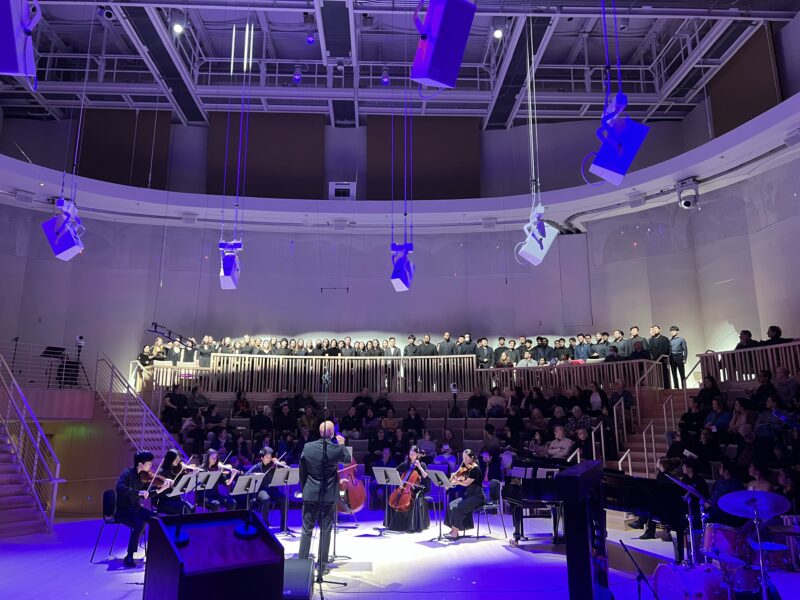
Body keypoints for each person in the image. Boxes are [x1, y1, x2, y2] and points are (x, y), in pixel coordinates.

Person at [298, 421, 352, 576]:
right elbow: (347, 459)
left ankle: (302, 565)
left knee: (307, 529)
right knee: (326, 530)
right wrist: (342, 444)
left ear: (320, 432)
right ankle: (322, 566)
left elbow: (302, 471)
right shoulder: (336, 448)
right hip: (328, 496)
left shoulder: (307, 447)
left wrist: (305, 489)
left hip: (310, 493)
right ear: (332, 433)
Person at [115, 451, 164, 568]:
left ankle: (158, 551)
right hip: (123, 511)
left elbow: (147, 494)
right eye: (148, 463)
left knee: (158, 520)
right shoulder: (127, 473)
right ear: (140, 464)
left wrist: (162, 488)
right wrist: (138, 492)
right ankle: (129, 556)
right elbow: (119, 487)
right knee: (139, 524)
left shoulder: (143, 476)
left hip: (136, 509)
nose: (151, 465)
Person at [386, 446, 431, 532]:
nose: (411, 456)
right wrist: (399, 481)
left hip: (417, 490)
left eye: (413, 454)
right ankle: (393, 524)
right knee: (393, 499)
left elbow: (426, 477)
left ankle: (411, 526)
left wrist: (420, 467)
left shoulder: (422, 464)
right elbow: (394, 471)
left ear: (417, 455)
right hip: (404, 488)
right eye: (410, 454)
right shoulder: (405, 464)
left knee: (413, 500)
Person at [444, 449, 483, 540]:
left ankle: (455, 533)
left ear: (472, 458)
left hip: (477, 497)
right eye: (463, 458)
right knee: (451, 504)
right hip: (469, 495)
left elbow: (466, 483)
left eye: (466, 458)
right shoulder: (466, 466)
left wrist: (457, 481)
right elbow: (459, 477)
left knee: (458, 507)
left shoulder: (475, 469)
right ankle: (453, 529)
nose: (464, 461)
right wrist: (450, 483)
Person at [246, 447, 288, 530]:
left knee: (284, 498)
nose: (270, 458)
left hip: (271, 489)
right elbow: (247, 474)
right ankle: (264, 525)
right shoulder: (257, 466)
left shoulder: (273, 465)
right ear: (262, 458)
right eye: (267, 457)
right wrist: (255, 475)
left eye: (270, 456)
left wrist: (281, 464)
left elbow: (281, 464)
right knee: (266, 499)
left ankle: (283, 526)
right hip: (260, 490)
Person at [152, 449, 195, 516]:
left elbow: (180, 484)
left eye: (179, 458)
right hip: (164, 501)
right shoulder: (162, 472)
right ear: (170, 459)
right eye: (176, 458)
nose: (178, 461)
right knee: (184, 508)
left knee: (192, 508)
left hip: (175, 499)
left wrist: (189, 475)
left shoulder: (177, 471)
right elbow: (157, 491)